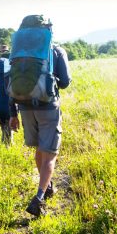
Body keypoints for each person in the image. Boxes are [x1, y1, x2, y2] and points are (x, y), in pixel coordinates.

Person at [9, 19, 71, 218]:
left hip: (24, 107)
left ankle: (48, 185)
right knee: (50, 153)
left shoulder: (18, 52)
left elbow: (11, 81)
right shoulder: (56, 50)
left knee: (39, 149)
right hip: (48, 106)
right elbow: (66, 82)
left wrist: (12, 114)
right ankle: (39, 196)